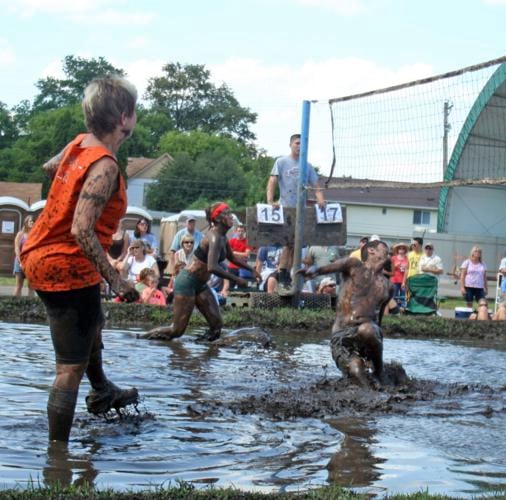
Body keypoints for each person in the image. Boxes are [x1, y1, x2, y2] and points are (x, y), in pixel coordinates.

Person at [20, 76, 141, 442]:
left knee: (94, 321)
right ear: (123, 118)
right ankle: (57, 458)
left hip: (43, 253)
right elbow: (81, 231)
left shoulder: (78, 145)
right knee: (69, 367)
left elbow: (49, 167)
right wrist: (116, 280)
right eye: (133, 111)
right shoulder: (104, 166)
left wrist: (71, 180)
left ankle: (103, 389)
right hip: (64, 262)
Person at [140, 202, 252, 342]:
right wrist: (236, 279)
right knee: (176, 330)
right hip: (187, 281)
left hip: (200, 284)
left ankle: (203, 351)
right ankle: (141, 338)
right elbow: (212, 267)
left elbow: (232, 257)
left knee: (217, 325)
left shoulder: (223, 237)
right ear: (218, 219)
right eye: (228, 214)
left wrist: (252, 269)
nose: (231, 217)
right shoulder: (214, 237)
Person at [299, 239, 390, 388]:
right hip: (341, 337)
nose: (388, 251)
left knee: (368, 329)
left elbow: (378, 322)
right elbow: (331, 267)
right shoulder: (354, 265)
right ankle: (370, 395)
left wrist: (375, 350)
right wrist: (315, 271)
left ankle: (378, 370)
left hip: (368, 332)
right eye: (384, 248)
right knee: (356, 371)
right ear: (371, 250)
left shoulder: (387, 285)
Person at [266, 133, 326, 292]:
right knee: (289, 242)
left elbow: (316, 185)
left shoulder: (307, 165)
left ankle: (284, 272)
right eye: (297, 143)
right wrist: (270, 201)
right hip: (285, 207)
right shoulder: (281, 161)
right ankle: (283, 272)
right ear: (291, 145)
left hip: (301, 210)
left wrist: (320, 199)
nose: (299, 146)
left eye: (302, 144)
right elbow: (272, 180)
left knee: (295, 244)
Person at [13, 215, 34, 297]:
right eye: (30, 221)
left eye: (33, 221)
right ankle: (15, 304)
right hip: (20, 262)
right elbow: (17, 248)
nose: (32, 222)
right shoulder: (20, 234)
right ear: (26, 222)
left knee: (31, 287)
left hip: (31, 263)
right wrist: (20, 261)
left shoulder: (35, 234)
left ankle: (30, 306)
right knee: (19, 286)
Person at [389, 243, 408, 310]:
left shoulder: (407, 258)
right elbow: (390, 270)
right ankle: (394, 309)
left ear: (405, 250)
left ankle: (403, 309)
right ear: (397, 250)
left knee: (403, 296)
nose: (401, 249)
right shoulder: (393, 258)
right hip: (394, 280)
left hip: (403, 280)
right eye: (400, 248)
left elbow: (406, 271)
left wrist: (404, 282)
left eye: (403, 248)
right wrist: (395, 266)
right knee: (394, 295)